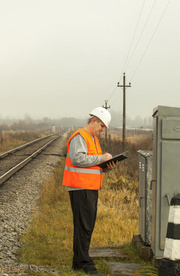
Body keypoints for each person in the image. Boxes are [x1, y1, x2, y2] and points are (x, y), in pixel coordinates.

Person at [62, 107, 117, 275]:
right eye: (101, 126)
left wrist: (105, 167)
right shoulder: (80, 136)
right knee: (84, 226)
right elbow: (78, 159)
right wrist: (102, 158)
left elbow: (90, 163)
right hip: (81, 187)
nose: (102, 130)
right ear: (94, 121)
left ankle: (79, 261)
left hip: (89, 187)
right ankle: (84, 262)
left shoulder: (92, 138)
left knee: (85, 226)